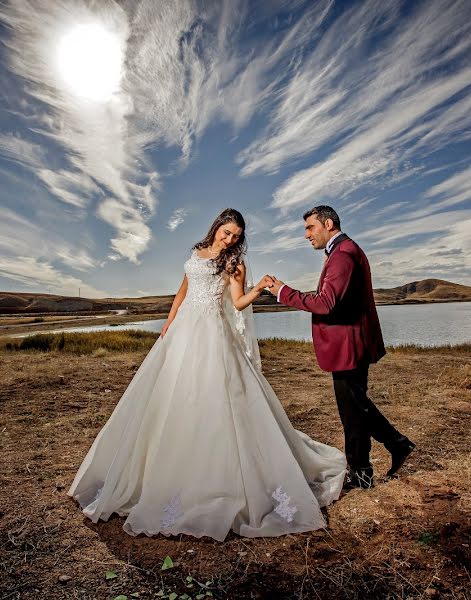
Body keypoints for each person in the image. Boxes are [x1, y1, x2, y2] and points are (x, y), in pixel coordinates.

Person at [67, 208, 346, 541]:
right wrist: (169, 324)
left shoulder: (233, 264)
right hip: (183, 332)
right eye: (226, 232)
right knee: (172, 397)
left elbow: (239, 303)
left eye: (236, 237)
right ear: (216, 227)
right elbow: (183, 292)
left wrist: (261, 289)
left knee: (215, 399)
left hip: (213, 335)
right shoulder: (196, 253)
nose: (229, 240)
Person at [266, 205, 415, 489]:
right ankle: (382, 457)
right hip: (351, 343)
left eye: (310, 228)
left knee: (353, 410)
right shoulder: (342, 251)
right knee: (355, 407)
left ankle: (375, 462)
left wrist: (283, 292)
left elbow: (325, 303)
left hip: (349, 345)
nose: (306, 235)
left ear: (329, 223)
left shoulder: (343, 254)